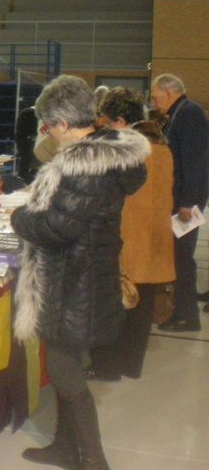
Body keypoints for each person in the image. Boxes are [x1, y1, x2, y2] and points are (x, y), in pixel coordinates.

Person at [11, 75, 148, 470]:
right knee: (65, 368)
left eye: (48, 126)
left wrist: (20, 218)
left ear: (64, 124)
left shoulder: (84, 165)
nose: (48, 134)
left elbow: (59, 227)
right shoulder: (104, 156)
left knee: (67, 374)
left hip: (74, 282)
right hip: (83, 276)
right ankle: (64, 446)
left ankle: (92, 459)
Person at [88, 87, 175, 379]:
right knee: (143, 305)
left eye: (110, 124)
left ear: (122, 122)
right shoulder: (163, 150)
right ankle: (131, 365)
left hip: (126, 239)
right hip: (157, 238)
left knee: (116, 306)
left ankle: (107, 368)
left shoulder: (125, 153)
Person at [150, 73, 209, 332]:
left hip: (186, 202)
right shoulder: (179, 113)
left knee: (183, 258)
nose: (153, 102)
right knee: (177, 257)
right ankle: (181, 311)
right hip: (181, 199)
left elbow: (195, 162)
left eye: (155, 96)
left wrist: (188, 202)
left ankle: (188, 316)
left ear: (168, 91)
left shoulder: (189, 114)